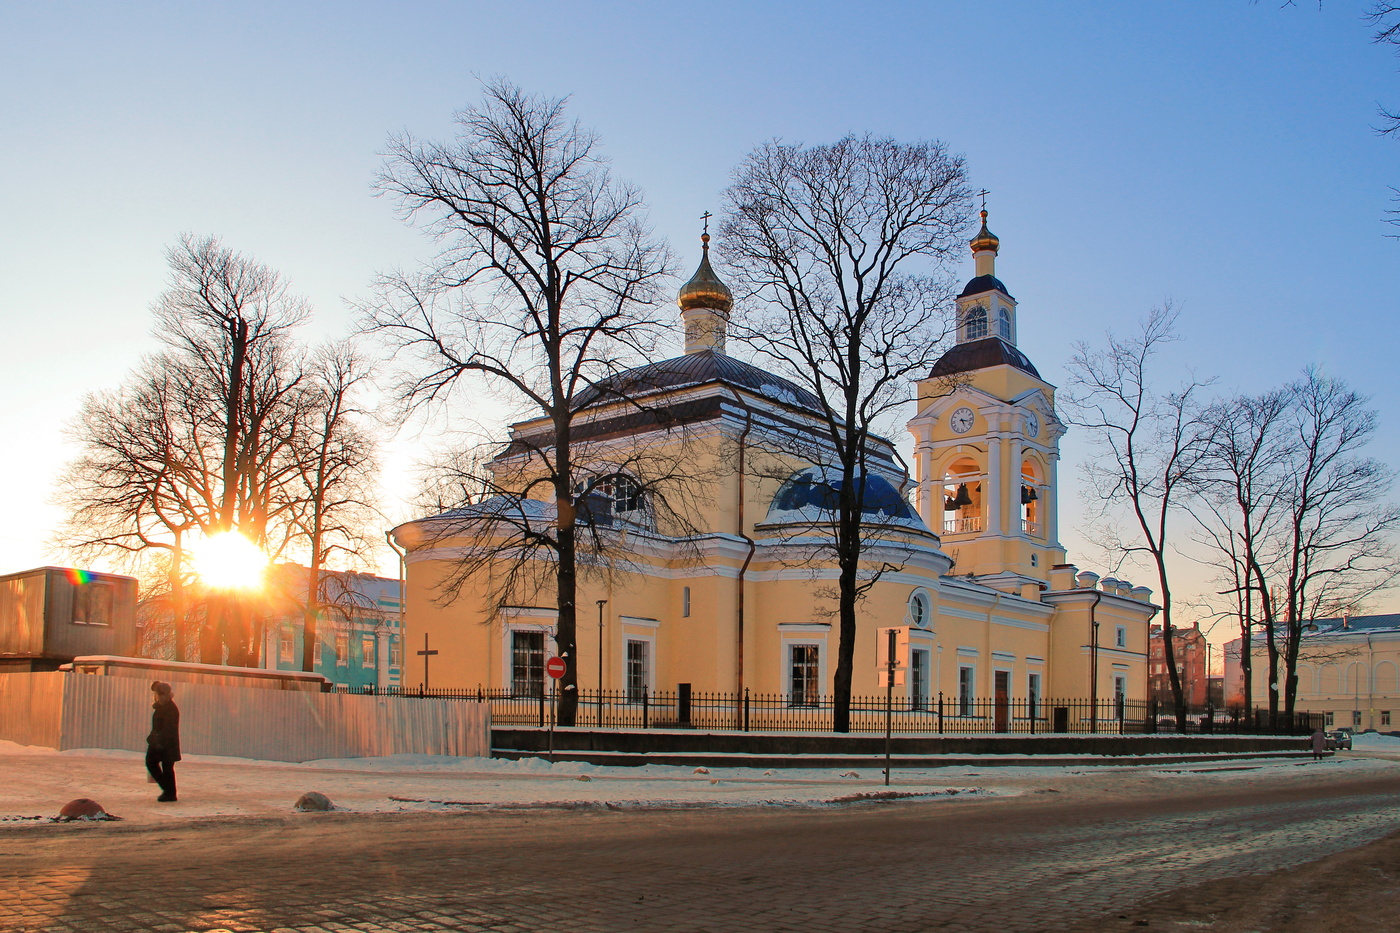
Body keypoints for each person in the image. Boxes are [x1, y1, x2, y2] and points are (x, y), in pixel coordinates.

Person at [145, 681, 181, 801]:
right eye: (157, 695)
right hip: (160, 741)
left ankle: (169, 792)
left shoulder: (170, 709)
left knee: (161, 765)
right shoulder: (163, 707)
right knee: (162, 765)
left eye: (160, 695)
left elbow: (168, 728)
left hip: (166, 743)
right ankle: (169, 791)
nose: (158, 697)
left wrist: (158, 740)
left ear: (167, 695)